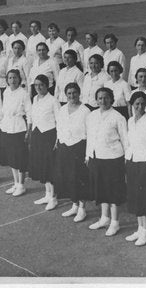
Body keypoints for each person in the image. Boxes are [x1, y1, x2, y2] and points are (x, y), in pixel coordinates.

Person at [85, 87, 128, 236]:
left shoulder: (118, 117)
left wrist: (126, 160)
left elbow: (125, 140)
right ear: (96, 100)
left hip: (113, 159)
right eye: (100, 98)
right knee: (101, 189)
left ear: (112, 99)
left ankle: (115, 222)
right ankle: (104, 218)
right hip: (96, 158)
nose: (103, 101)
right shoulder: (92, 116)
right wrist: (87, 155)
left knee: (113, 192)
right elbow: (90, 137)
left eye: (106, 98)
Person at [54, 82, 92, 222]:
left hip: (79, 147)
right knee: (69, 177)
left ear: (79, 93)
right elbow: (59, 126)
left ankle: (82, 208)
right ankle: (74, 205)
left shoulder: (85, 111)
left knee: (80, 177)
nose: (72, 96)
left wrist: (87, 154)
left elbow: (89, 132)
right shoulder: (63, 109)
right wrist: (58, 141)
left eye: (74, 93)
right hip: (65, 146)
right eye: (69, 93)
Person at [125, 91, 146, 246]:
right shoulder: (130, 121)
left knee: (145, 198)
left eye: (142, 104)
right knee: (135, 197)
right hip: (132, 162)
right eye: (136, 104)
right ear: (132, 104)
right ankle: (139, 229)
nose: (139, 106)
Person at [29, 74, 61, 210]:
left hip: (49, 135)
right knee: (42, 164)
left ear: (47, 85)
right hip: (38, 135)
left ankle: (54, 198)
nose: (38, 88)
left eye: (41, 85)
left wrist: (57, 140)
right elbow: (33, 117)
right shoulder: (35, 99)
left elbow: (60, 122)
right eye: (36, 85)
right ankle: (47, 194)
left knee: (50, 166)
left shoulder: (54, 100)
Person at [0, 69, 32, 196]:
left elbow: (29, 112)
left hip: (19, 128)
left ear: (19, 79)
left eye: (15, 78)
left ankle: (21, 185)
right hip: (7, 127)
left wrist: (28, 130)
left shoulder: (24, 93)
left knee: (20, 157)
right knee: (11, 157)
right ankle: (15, 183)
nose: (12, 80)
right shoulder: (6, 92)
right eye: (10, 78)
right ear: (7, 80)